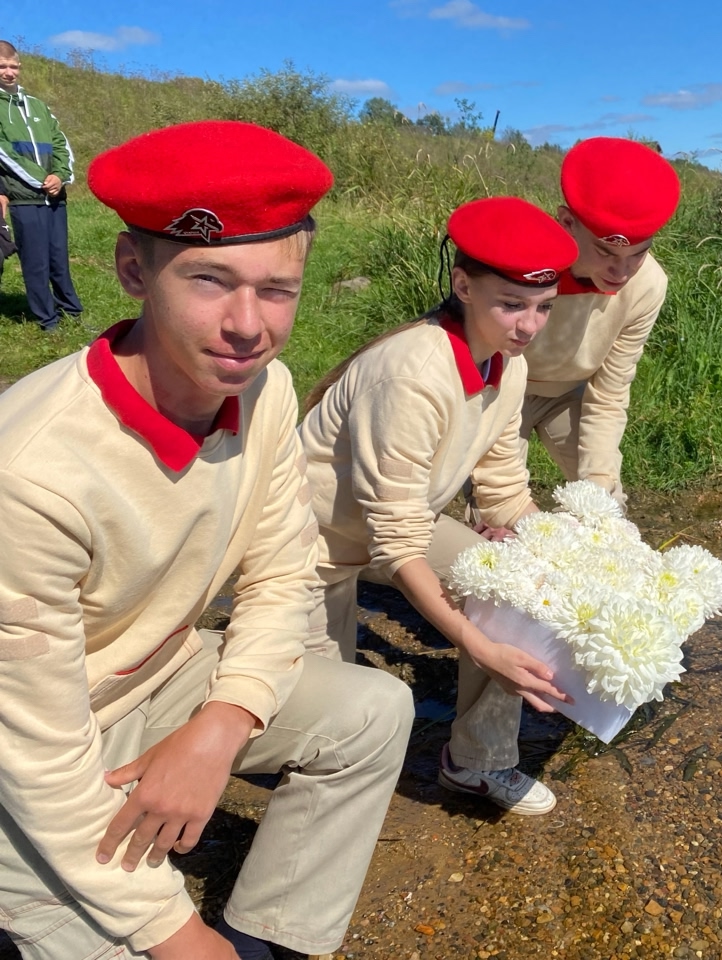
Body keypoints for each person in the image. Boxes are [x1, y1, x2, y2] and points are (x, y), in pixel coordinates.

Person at [0, 120, 414, 960]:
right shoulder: (31, 473)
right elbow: (36, 758)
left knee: (374, 709)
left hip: (164, 669)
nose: (247, 326)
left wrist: (222, 723)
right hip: (39, 736)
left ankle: (270, 935)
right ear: (132, 270)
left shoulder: (265, 390)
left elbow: (282, 570)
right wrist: (176, 932)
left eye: (278, 289)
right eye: (210, 281)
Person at [301, 196, 577, 816]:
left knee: (514, 584)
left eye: (544, 307)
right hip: (308, 543)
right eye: (512, 304)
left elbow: (503, 491)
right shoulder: (412, 375)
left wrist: (582, 559)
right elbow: (396, 541)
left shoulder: (508, 364)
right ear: (464, 286)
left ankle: (477, 762)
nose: (530, 325)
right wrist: (478, 645)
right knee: (325, 719)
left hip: (393, 526)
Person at [520, 136, 681, 507]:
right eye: (605, 252)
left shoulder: (648, 284)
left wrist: (598, 484)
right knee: (496, 517)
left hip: (567, 392)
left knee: (607, 506)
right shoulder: (521, 263)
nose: (621, 273)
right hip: (498, 390)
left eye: (638, 254)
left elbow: (609, 392)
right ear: (567, 223)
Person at [0, 40, 83, 330]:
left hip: (55, 196)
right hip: (25, 197)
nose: (9, 72)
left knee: (59, 258)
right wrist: (40, 179)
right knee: (36, 262)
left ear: (20, 67)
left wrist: (60, 175)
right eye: (2, 66)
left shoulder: (37, 105)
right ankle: (47, 320)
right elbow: (4, 152)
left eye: (13, 66)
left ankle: (71, 311)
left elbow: (61, 143)